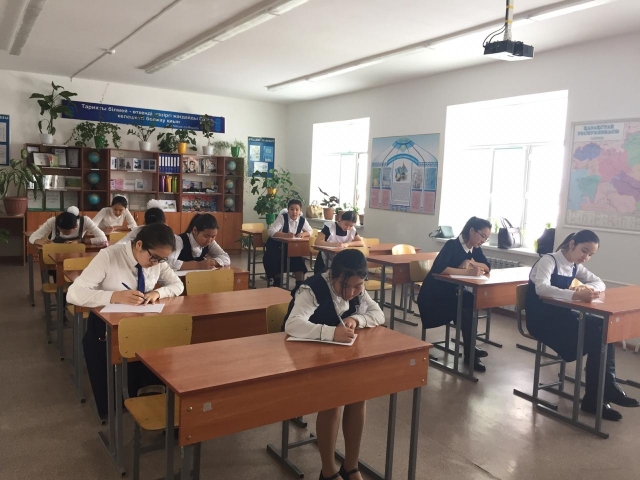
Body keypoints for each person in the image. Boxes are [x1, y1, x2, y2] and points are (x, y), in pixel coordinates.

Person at [284, 249, 384, 480]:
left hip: (336, 357)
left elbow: (378, 314)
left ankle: (351, 466)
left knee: (358, 395)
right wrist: (331, 333)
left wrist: (356, 318)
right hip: (303, 357)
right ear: (332, 275)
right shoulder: (312, 289)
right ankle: (328, 471)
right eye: (344, 286)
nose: (350, 293)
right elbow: (292, 324)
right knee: (334, 399)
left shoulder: (357, 286)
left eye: (357, 286)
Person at [67, 223, 184, 419]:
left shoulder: (157, 261)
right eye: (154, 257)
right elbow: (73, 293)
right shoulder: (109, 256)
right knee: (111, 361)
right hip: (107, 326)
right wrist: (114, 296)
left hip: (142, 322)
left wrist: (158, 292)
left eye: (162, 259)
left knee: (158, 352)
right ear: (139, 245)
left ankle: (147, 402)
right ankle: (115, 408)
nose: (156, 263)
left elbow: (177, 285)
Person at [526, 230, 639, 421]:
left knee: (603, 327)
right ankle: (598, 395)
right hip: (542, 320)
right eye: (584, 251)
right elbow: (542, 289)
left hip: (562, 316)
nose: (585, 257)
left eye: (590, 255)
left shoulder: (574, 266)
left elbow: (599, 283)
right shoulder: (549, 260)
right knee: (599, 336)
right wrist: (575, 295)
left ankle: (601, 392)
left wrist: (588, 289)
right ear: (572, 244)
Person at [417, 216, 492, 372]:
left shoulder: (475, 248)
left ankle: (470, 350)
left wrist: (471, 263)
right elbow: (440, 269)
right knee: (465, 306)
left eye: (486, 238)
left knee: (470, 300)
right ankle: (471, 352)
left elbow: (487, 266)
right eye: (482, 236)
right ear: (472, 231)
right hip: (434, 295)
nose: (483, 241)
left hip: (452, 293)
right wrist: (467, 272)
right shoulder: (452, 245)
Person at [264, 199, 313, 288]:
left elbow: (310, 231)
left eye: (297, 209)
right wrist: (285, 235)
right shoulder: (282, 218)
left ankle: (299, 286)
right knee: (277, 260)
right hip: (278, 247)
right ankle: (277, 284)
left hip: (292, 248)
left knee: (299, 263)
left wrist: (303, 234)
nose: (294, 212)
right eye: (292, 209)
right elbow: (271, 231)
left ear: (300, 211)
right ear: (288, 209)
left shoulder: (302, 220)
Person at [29, 206, 108, 246]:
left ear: (76, 226)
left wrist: (80, 241)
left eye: (67, 231)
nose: (64, 233)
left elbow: (103, 238)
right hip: (54, 254)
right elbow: (32, 237)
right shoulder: (53, 221)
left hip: (75, 254)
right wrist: (42, 242)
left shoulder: (85, 221)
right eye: (61, 230)